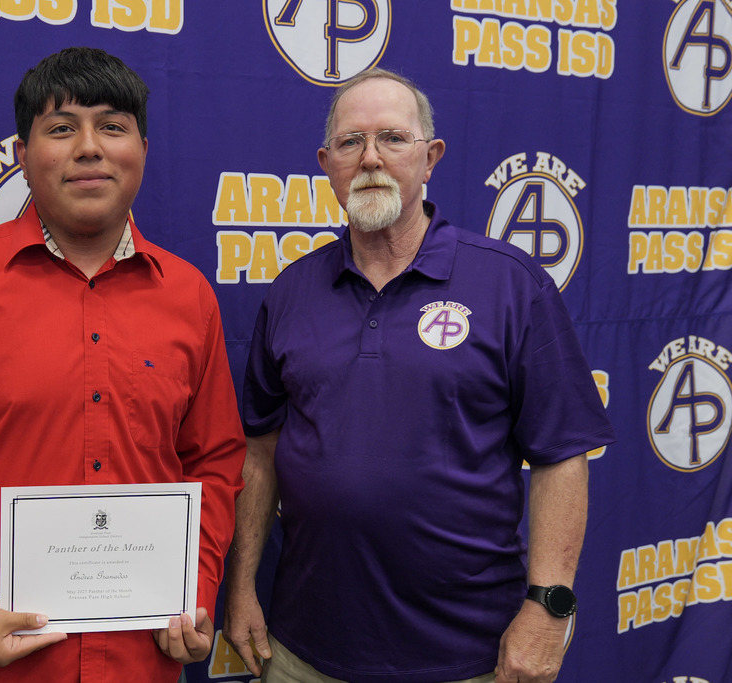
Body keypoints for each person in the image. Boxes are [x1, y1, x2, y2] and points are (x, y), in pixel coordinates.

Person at [0, 47, 245, 683]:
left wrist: (196, 591)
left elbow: (214, 459)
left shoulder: (189, 294)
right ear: (23, 157)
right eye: (61, 128)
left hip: (144, 661)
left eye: (112, 126)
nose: (90, 147)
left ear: (142, 147)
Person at [223, 68, 616, 683]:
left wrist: (549, 608)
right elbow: (261, 451)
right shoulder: (292, 292)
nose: (371, 158)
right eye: (351, 143)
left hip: (471, 656)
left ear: (429, 158)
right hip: (304, 651)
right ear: (327, 164)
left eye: (393, 139)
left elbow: (562, 455)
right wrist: (242, 586)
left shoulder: (511, 284)